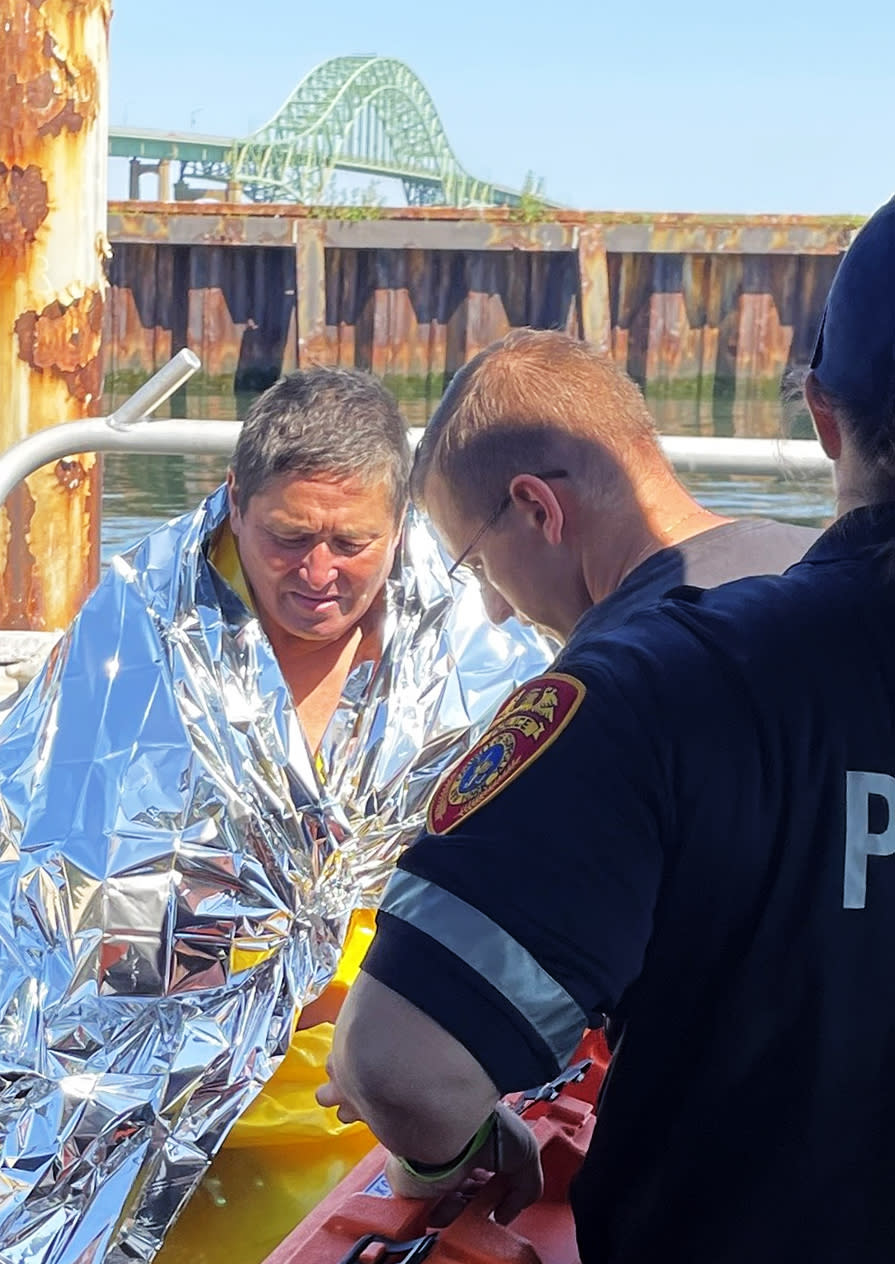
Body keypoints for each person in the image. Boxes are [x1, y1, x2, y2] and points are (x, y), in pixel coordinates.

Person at [320, 200, 895, 1262]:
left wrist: (440, 1157)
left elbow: (403, 1062)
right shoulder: (754, 573)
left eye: (477, 567)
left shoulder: (657, 686)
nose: (493, 611)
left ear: (821, 414)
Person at [0, 368, 550, 1264]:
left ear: (401, 521)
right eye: (289, 539)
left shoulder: (476, 634)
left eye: (352, 542)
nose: (321, 574)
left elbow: (523, 873)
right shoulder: (143, 621)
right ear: (232, 505)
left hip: (384, 1072)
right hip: (152, 1061)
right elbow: (61, 874)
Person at [411, 328, 819, 648]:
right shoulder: (834, 562)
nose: (495, 610)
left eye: (479, 565)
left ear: (539, 509)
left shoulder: (609, 678)